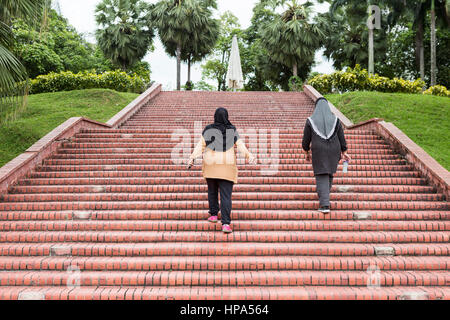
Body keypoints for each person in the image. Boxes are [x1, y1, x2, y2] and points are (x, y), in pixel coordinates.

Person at [187, 107, 256, 233]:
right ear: (226, 116)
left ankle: (213, 215)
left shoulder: (208, 129)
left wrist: (192, 158)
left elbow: (200, 146)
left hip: (211, 165)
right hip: (227, 166)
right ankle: (225, 223)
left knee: (212, 191)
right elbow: (240, 145)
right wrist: (249, 156)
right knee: (225, 196)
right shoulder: (231, 130)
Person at [302, 97, 351, 214]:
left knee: (321, 174)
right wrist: (344, 152)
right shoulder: (336, 120)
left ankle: (324, 205)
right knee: (328, 172)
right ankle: (325, 197)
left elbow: (306, 140)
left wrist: (306, 152)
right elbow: (341, 138)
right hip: (334, 149)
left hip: (319, 150)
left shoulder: (311, 120)